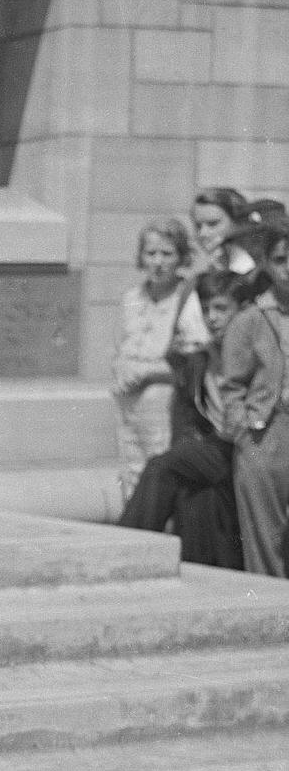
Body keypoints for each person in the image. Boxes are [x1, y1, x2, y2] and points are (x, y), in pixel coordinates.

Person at [119, 268, 280, 568]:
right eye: (206, 309)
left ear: (244, 310)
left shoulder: (260, 353)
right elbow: (193, 415)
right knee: (197, 497)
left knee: (164, 466)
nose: (212, 317)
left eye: (221, 308)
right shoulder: (201, 359)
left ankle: (125, 550)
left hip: (255, 450)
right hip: (220, 450)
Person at [110, 217, 207, 494]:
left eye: (167, 254)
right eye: (151, 253)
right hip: (128, 400)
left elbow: (195, 360)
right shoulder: (131, 298)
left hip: (165, 401)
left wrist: (151, 373)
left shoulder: (188, 298)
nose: (158, 262)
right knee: (130, 470)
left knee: (160, 470)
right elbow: (119, 346)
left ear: (181, 257)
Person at [237, 220, 289, 576]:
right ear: (268, 264)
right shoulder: (252, 318)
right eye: (282, 259)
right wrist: (243, 427)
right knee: (265, 539)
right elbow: (229, 384)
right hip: (266, 432)